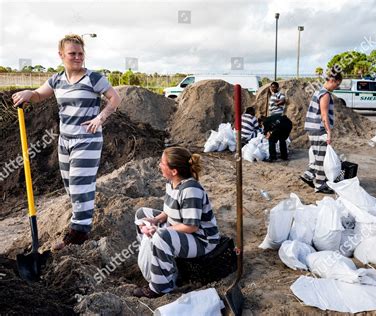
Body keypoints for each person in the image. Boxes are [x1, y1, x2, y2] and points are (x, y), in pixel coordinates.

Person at [12, 34, 122, 250]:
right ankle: (83, 217)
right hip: (65, 140)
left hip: (88, 139)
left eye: (81, 53)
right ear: (61, 55)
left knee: (80, 184)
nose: (78, 57)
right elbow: (38, 95)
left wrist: (101, 117)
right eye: (73, 53)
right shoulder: (56, 80)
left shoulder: (93, 78)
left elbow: (115, 97)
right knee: (71, 186)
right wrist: (28, 93)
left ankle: (77, 235)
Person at [133, 147, 220, 298]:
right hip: (181, 228)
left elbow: (191, 226)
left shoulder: (191, 190)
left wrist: (160, 231)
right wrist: (154, 220)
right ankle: (157, 261)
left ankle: (160, 287)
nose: (159, 165)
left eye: (162, 163)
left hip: (202, 240)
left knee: (161, 236)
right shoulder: (171, 183)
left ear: (174, 171)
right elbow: (168, 212)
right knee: (141, 214)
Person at [300, 69, 342, 194]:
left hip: (312, 128)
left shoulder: (318, 92)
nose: (337, 87)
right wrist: (328, 132)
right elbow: (324, 115)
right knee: (321, 158)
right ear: (332, 80)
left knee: (317, 155)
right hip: (319, 129)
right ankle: (320, 185)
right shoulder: (325, 94)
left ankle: (308, 175)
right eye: (337, 84)